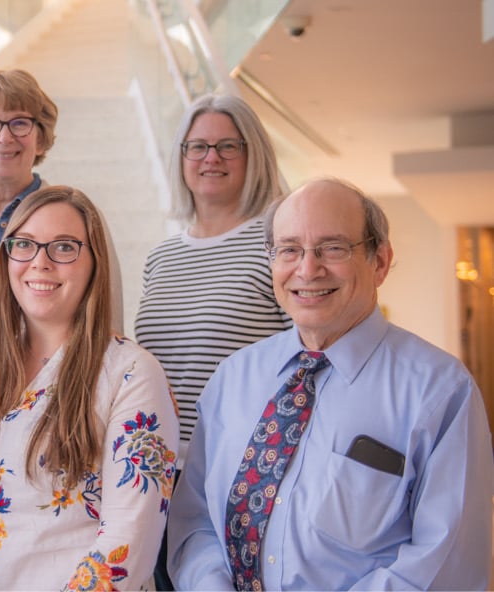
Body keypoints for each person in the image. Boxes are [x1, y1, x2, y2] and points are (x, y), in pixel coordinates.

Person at [167, 178, 494, 590]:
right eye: (289, 249)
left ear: (380, 261)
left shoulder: (441, 390)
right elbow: (195, 522)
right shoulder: (231, 379)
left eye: (333, 248)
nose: (307, 269)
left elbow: (446, 563)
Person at [0, 186, 178, 590]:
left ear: (95, 263)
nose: (40, 262)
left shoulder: (132, 374)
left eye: (64, 247)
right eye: (24, 244)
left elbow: (127, 543)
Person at [134, 93, 292, 589]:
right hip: (158, 472)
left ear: (253, 154)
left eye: (228, 146)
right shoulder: (161, 257)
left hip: (241, 471)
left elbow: (307, 359)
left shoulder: (278, 245)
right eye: (197, 146)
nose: (211, 158)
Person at [0, 69, 123, 359]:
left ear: (41, 139)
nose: (4, 137)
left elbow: (106, 322)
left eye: (19, 123)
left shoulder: (80, 220)